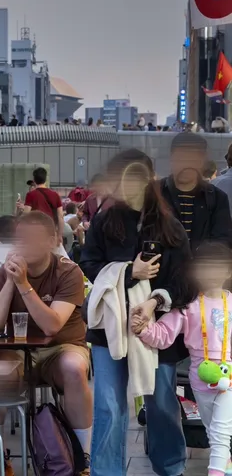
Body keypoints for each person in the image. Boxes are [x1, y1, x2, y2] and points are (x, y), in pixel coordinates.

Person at [80, 149, 192, 475]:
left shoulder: (168, 225)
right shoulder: (105, 220)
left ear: (149, 180)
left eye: (137, 177)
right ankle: (107, 470)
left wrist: (154, 301)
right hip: (110, 327)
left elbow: (185, 282)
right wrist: (130, 272)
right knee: (110, 407)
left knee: (161, 405)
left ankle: (170, 467)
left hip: (158, 330)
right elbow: (88, 264)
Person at [0, 212, 92, 460]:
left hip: (62, 347)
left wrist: (23, 284)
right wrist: (11, 281)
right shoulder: (4, 273)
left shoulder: (68, 272)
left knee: (74, 369)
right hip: (19, 351)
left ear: (52, 240)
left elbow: (52, 326)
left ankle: (82, 454)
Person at [134, 243, 230, 476]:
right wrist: (143, 330)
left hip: (229, 375)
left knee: (220, 430)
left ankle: (216, 470)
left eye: (218, 268)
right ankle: (225, 461)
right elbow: (164, 335)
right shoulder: (188, 307)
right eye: (206, 269)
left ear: (228, 272)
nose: (212, 274)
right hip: (200, 378)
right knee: (211, 426)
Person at [159, 132, 232, 250]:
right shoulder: (155, 194)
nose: (186, 165)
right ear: (171, 159)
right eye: (181, 158)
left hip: (203, 266)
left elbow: (223, 242)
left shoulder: (217, 198)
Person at [23, 167, 65, 238]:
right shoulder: (55, 195)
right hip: (50, 230)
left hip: (35, 231)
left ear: (34, 180)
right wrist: (59, 235)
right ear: (45, 179)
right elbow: (60, 216)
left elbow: (26, 214)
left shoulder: (30, 195)